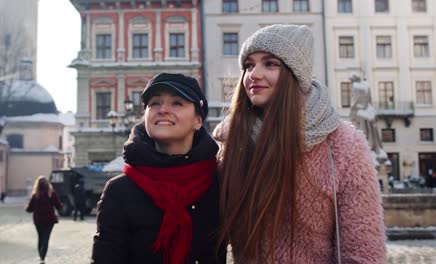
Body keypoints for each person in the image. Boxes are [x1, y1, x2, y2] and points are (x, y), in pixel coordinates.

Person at [213, 24, 386, 263]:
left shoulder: (343, 145)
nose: (254, 74)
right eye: (249, 65)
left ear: (296, 72)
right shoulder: (231, 143)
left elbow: (364, 253)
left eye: (270, 63)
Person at [91, 73, 226, 264]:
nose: (162, 109)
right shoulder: (119, 191)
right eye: (154, 103)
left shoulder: (220, 183)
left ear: (198, 120)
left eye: (177, 103)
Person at [26, 175, 63, 264]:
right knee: (46, 238)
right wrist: (60, 208)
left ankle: (41, 257)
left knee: (40, 238)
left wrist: (28, 208)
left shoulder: (35, 195)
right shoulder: (51, 193)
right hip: (49, 219)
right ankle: (42, 258)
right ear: (47, 184)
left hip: (38, 220)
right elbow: (58, 205)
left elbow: (29, 209)